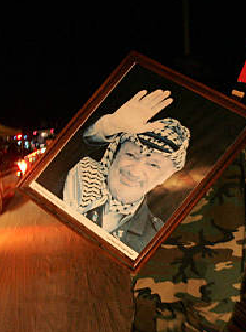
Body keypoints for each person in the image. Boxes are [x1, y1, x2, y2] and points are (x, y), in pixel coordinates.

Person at [63, 90, 189, 253]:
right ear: (114, 154)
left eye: (153, 165)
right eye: (131, 155)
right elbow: (62, 151)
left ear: (165, 177)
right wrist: (111, 125)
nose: (135, 171)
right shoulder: (76, 172)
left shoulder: (156, 236)